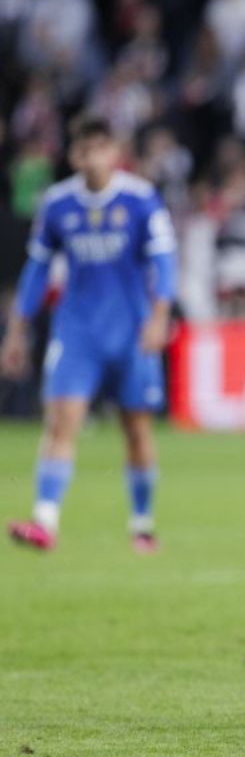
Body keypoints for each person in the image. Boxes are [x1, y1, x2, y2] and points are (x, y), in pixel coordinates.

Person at [2, 115, 177, 553]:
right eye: (84, 148)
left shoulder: (140, 199)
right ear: (74, 154)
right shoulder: (58, 204)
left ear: (114, 151)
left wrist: (159, 317)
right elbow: (37, 270)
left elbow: (164, 263)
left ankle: (142, 523)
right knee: (61, 421)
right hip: (77, 332)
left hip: (131, 332)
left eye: (100, 146)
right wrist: (17, 331)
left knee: (135, 429)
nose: (92, 156)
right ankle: (45, 520)